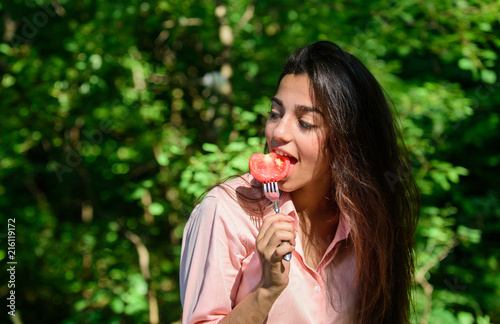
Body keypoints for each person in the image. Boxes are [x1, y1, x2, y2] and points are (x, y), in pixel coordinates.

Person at [179, 41, 420, 323]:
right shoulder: (225, 212)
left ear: (350, 141)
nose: (278, 132)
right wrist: (266, 291)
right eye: (275, 113)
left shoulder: (369, 220)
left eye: (305, 122)